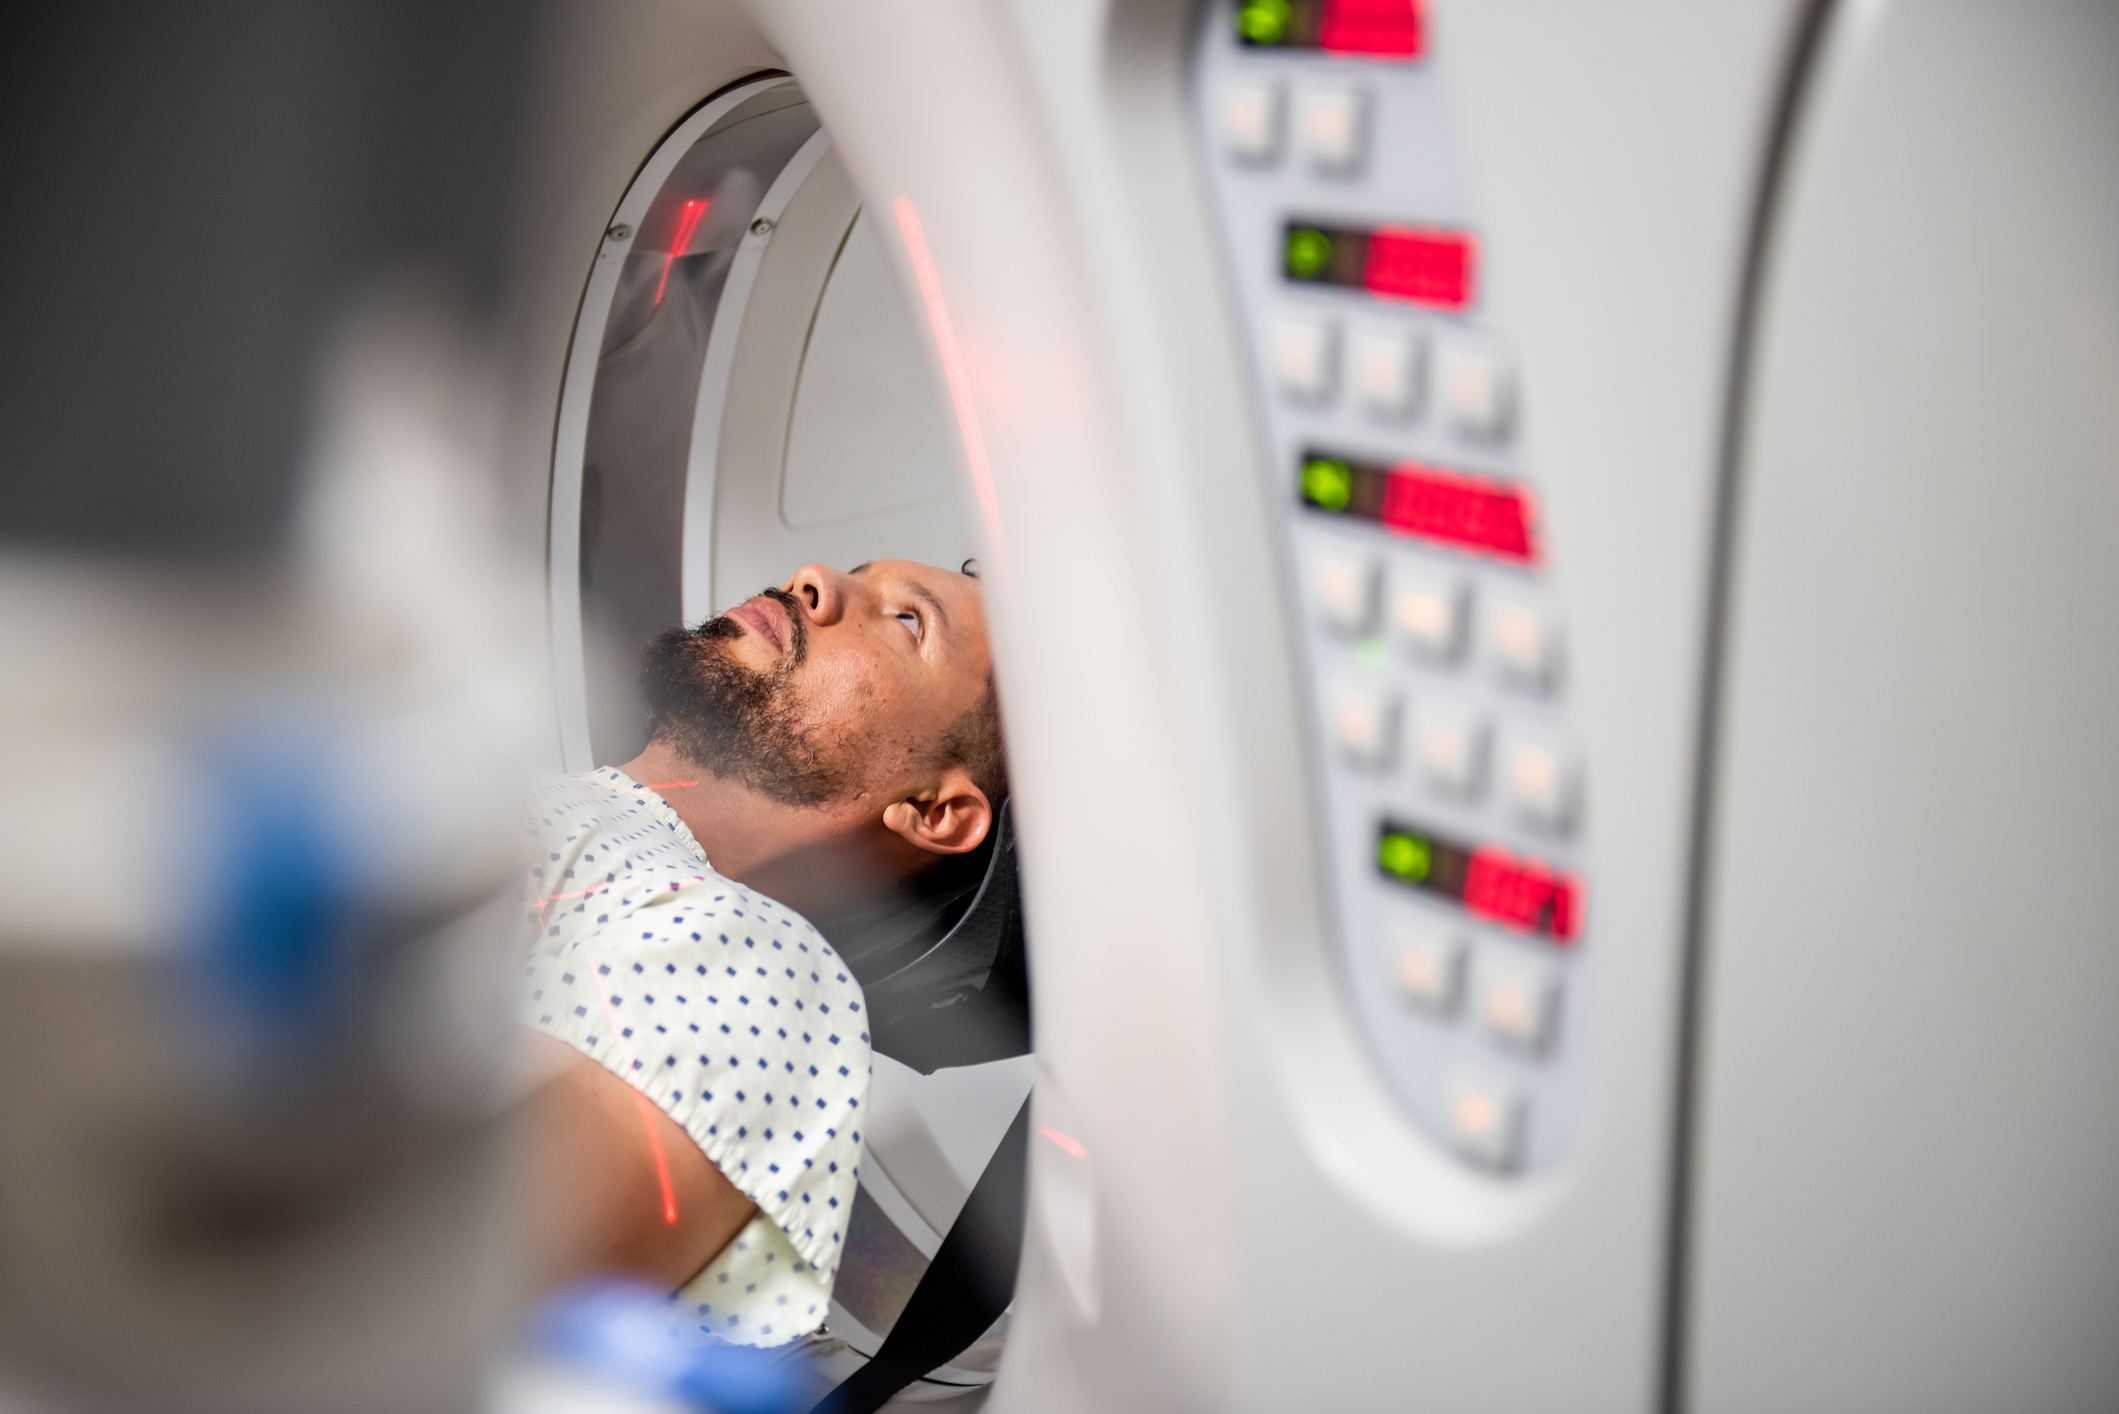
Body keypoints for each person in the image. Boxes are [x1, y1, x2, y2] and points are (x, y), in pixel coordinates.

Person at [517, 558, 1004, 1347]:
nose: (813, 580)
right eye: (851, 572)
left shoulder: (759, 966)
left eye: (908, 620)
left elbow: (394, 1281)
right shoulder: (552, 805)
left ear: (934, 810)